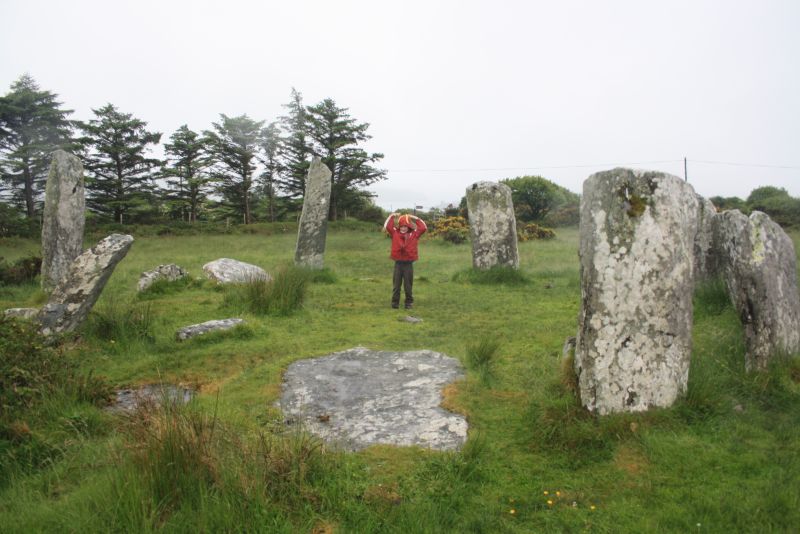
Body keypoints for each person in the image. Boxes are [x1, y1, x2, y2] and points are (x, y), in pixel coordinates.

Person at [384, 212, 427, 309]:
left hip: (408, 264)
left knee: (408, 286)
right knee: (396, 286)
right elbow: (387, 226)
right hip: (398, 264)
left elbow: (423, 227)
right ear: (399, 226)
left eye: (405, 226)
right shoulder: (395, 232)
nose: (403, 228)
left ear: (408, 226)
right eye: (402, 226)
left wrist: (414, 218)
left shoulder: (414, 234)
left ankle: (409, 303)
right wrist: (392, 216)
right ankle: (395, 303)